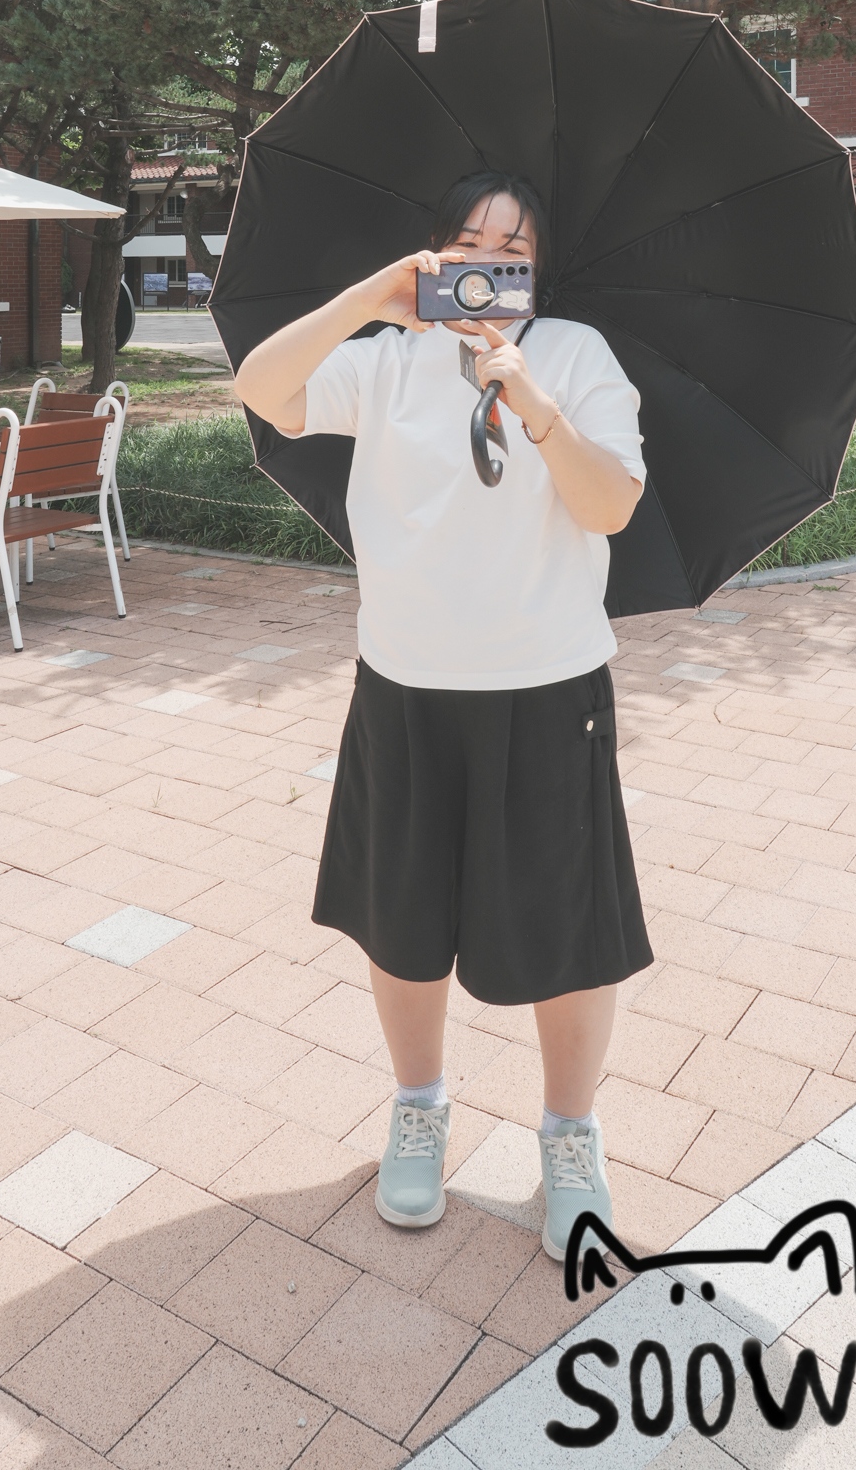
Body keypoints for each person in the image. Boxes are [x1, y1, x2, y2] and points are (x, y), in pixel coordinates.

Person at [234, 169, 652, 1260]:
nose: (484, 262)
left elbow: (610, 506)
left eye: (510, 248)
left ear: (538, 268)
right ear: (433, 252)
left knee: (568, 930)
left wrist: (533, 400)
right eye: (465, 242)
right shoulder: (383, 362)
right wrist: (368, 299)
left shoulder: (576, 356)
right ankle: (418, 1106)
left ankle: (570, 1135)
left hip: (549, 686)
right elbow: (263, 388)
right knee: (402, 917)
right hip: (407, 683)